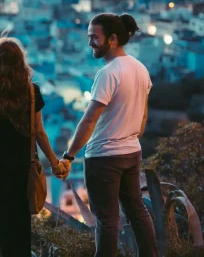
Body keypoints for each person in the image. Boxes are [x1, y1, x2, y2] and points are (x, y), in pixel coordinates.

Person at [60, 13, 158, 257]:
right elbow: (143, 118)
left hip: (104, 157)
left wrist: (69, 155)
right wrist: (128, 137)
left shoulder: (108, 73)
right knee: (137, 211)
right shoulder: (140, 69)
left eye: (95, 37)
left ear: (113, 39)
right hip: (131, 151)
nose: (90, 42)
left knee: (107, 221)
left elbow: (90, 119)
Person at [0, 37, 67, 257]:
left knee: (4, 226)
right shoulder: (32, 92)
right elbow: (39, 132)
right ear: (20, 62)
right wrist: (54, 163)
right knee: (22, 226)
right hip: (23, 167)